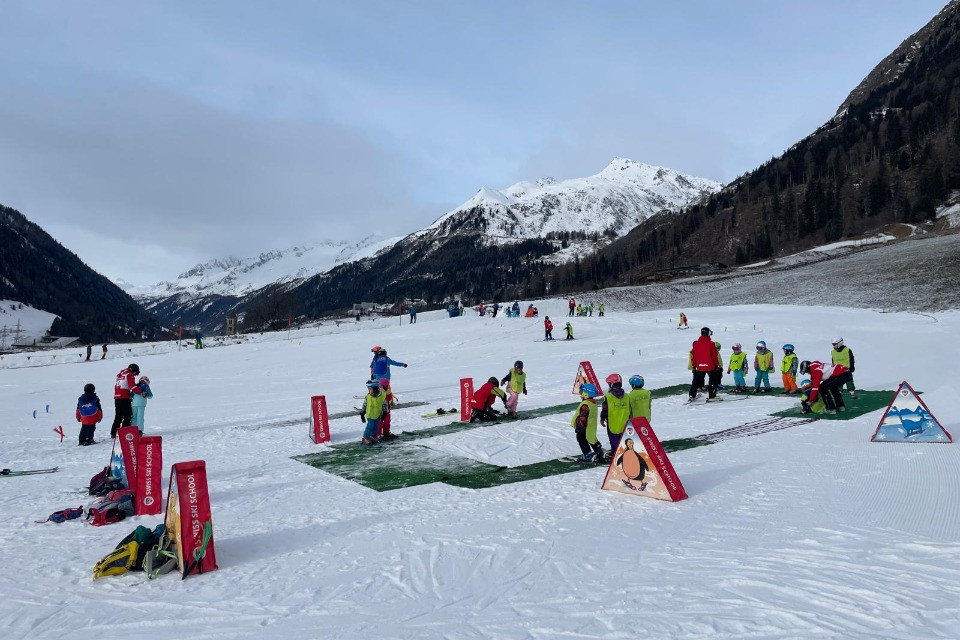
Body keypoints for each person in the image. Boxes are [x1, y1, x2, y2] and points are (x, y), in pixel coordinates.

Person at [570, 383, 604, 463]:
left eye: (581, 392)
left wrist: (579, 427)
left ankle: (588, 454)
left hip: (584, 427)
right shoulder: (592, 403)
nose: (580, 394)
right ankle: (599, 452)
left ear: (586, 394)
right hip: (590, 427)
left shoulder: (585, 405)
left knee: (581, 439)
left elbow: (583, 417)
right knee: (591, 439)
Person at [601, 373, 631, 454]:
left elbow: (605, 409)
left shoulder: (608, 396)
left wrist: (602, 418)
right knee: (623, 438)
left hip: (612, 422)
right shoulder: (627, 396)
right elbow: (630, 409)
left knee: (613, 439)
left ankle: (616, 454)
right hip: (624, 422)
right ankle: (626, 453)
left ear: (611, 384)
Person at [689, 327, 721, 401]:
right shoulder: (711, 344)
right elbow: (714, 355)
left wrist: (694, 365)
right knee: (713, 380)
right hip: (710, 366)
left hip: (700, 366)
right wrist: (717, 364)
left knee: (696, 381)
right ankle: (712, 396)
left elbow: (694, 355)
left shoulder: (696, 344)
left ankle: (692, 395)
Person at [111, 363, 140, 438]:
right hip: (124, 397)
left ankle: (113, 433)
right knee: (127, 415)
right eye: (135, 373)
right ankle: (124, 433)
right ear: (133, 370)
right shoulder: (129, 374)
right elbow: (132, 387)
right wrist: (140, 391)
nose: (134, 375)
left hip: (117, 397)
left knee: (118, 416)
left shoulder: (121, 375)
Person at [360, 380, 387, 445]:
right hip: (370, 414)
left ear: (375, 389)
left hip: (378, 414)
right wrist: (362, 413)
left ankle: (373, 436)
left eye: (370, 389)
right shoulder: (368, 396)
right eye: (368, 389)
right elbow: (364, 405)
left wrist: (384, 412)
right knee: (370, 426)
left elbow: (384, 404)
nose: (369, 391)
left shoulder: (382, 396)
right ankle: (366, 437)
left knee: (376, 427)